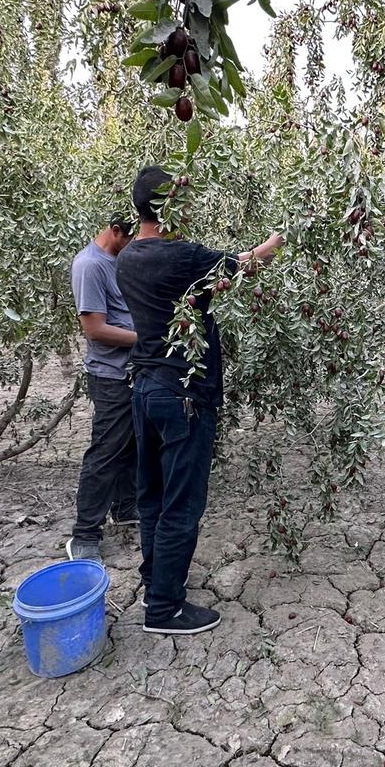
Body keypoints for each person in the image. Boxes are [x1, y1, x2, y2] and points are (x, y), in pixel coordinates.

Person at [117, 165, 285, 635]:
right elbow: (247, 262)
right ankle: (165, 609)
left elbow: (184, 298)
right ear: (172, 205)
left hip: (145, 389)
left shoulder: (128, 258)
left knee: (151, 496)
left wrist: (207, 291)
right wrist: (279, 238)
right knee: (181, 504)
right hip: (183, 395)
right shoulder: (182, 255)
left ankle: (156, 581)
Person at [67, 213, 139, 563]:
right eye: (129, 239)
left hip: (130, 372)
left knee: (131, 444)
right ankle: (84, 535)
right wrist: (148, 340)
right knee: (106, 451)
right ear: (114, 232)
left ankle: (126, 508)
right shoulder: (90, 266)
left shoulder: (116, 261)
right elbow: (94, 329)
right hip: (110, 376)